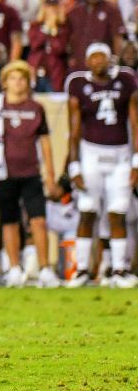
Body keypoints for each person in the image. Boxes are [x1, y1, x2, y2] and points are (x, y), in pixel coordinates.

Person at [0, 61, 61, 288]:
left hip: (31, 172)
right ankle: (14, 267)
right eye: (13, 78)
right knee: (10, 221)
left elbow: (45, 143)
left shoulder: (36, 108)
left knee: (39, 221)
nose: (18, 83)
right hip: (4, 172)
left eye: (22, 78)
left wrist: (50, 175)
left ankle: (45, 269)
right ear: (5, 83)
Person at [65, 44, 138, 288]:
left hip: (120, 154)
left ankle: (119, 269)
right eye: (93, 57)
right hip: (90, 153)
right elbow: (73, 129)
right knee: (87, 211)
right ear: (86, 61)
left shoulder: (126, 80)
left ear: (110, 59)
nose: (98, 61)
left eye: (103, 57)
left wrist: (137, 161)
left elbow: (135, 124)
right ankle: (82, 270)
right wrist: (73, 165)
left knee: (118, 213)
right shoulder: (78, 84)